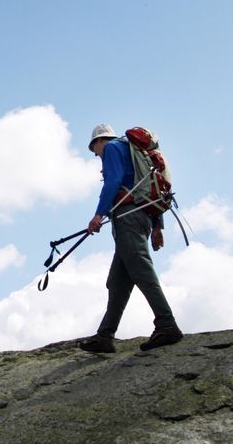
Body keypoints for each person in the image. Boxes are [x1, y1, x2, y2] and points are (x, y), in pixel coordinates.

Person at [78, 124, 183, 354]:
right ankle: (105, 336)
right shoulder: (132, 152)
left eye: (94, 150)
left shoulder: (112, 148)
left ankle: (167, 324)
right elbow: (148, 188)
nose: (97, 155)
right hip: (142, 216)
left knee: (142, 271)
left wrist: (99, 214)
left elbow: (113, 181)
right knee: (117, 281)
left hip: (128, 218)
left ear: (99, 142)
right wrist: (157, 226)